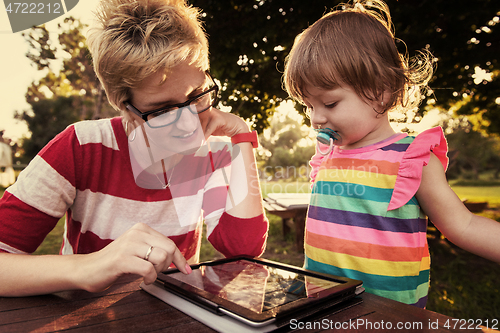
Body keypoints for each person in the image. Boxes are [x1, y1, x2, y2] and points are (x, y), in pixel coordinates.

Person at [0, 0, 268, 297]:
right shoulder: (80, 147)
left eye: (197, 95)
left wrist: (241, 137)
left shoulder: (212, 153)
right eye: (163, 110)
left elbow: (245, 247)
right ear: (124, 108)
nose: (189, 124)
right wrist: (86, 267)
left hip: (173, 317)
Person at [283, 0, 500, 308]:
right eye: (308, 106)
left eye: (329, 104)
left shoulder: (410, 158)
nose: (316, 118)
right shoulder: (327, 155)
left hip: (388, 314)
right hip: (322, 307)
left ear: (381, 90)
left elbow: (462, 225)